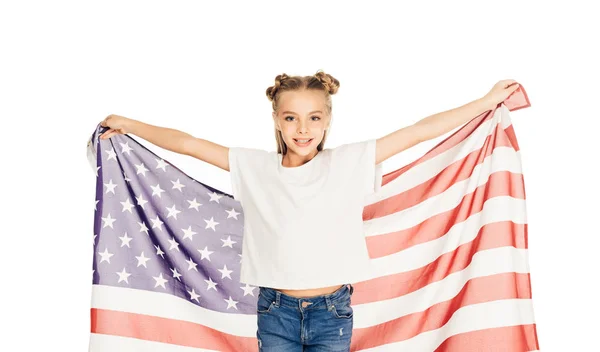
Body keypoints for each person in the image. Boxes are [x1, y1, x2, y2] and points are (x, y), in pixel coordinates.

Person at [99, 71, 520, 351]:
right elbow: (189, 143)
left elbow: (417, 131)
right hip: (275, 312)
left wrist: (484, 101)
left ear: (327, 121)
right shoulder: (256, 167)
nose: (303, 130)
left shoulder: (349, 163)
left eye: (314, 118)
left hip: (331, 312)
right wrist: (132, 125)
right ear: (277, 121)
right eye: (292, 118)